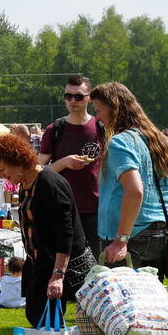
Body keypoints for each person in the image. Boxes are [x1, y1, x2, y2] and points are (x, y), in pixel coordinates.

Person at [91, 82, 168, 335]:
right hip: (161, 232)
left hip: (133, 237)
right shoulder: (161, 141)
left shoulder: (123, 142)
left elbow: (135, 190)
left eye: (99, 110)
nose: (98, 118)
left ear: (114, 107)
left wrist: (122, 238)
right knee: (156, 319)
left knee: (126, 321)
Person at [0, 133, 94, 327]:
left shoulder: (49, 184)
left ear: (17, 160)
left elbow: (65, 233)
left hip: (56, 265)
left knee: (47, 323)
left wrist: (57, 276)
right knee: (37, 316)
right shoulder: (26, 183)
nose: (1, 175)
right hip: (39, 262)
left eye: (2, 169)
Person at [37, 75, 104, 256]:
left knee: (95, 268)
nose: (73, 101)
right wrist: (64, 162)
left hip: (95, 210)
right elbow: (37, 171)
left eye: (79, 96)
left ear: (89, 97)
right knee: (64, 266)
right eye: (68, 96)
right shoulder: (55, 130)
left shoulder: (101, 127)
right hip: (62, 208)